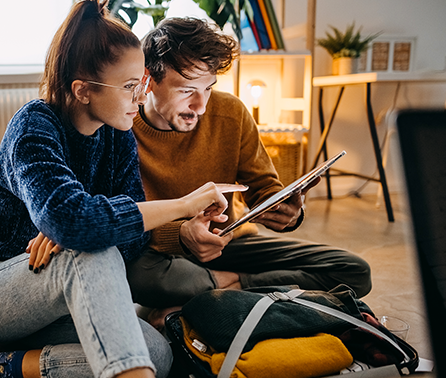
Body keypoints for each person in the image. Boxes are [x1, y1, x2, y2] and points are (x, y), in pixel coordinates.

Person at [0, 3, 242, 378]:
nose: (141, 98)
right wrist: (181, 206)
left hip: (57, 297)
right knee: (90, 251)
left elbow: (129, 245)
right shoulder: (34, 126)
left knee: (156, 354)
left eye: (142, 84)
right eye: (131, 87)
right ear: (83, 91)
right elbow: (77, 223)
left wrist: (78, 228)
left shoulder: (118, 137)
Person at [126, 17, 372, 327]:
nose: (200, 106)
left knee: (353, 270)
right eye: (187, 90)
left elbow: (263, 187)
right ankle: (243, 294)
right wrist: (181, 234)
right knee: (131, 272)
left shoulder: (231, 113)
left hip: (228, 244)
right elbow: (121, 221)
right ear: (148, 81)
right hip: (159, 252)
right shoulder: (122, 126)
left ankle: (228, 288)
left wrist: (285, 210)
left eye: (208, 88)